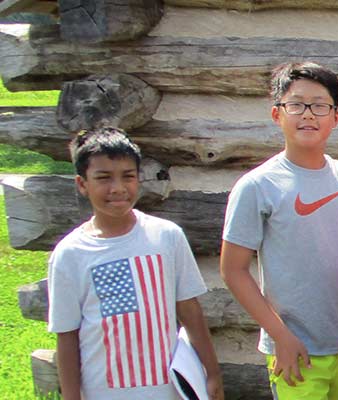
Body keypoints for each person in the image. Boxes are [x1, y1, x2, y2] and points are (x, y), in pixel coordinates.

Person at [220, 62, 338, 399]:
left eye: (320, 106)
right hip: (296, 351)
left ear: (335, 117)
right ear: (277, 114)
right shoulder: (257, 186)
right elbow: (232, 270)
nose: (309, 115)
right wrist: (280, 336)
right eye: (297, 104)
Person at [48, 128, 222, 400]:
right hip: (103, 392)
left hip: (169, 390)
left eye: (128, 176)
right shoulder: (70, 254)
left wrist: (212, 374)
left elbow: (189, 310)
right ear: (82, 184)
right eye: (103, 178)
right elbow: (67, 336)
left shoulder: (166, 236)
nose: (117, 188)